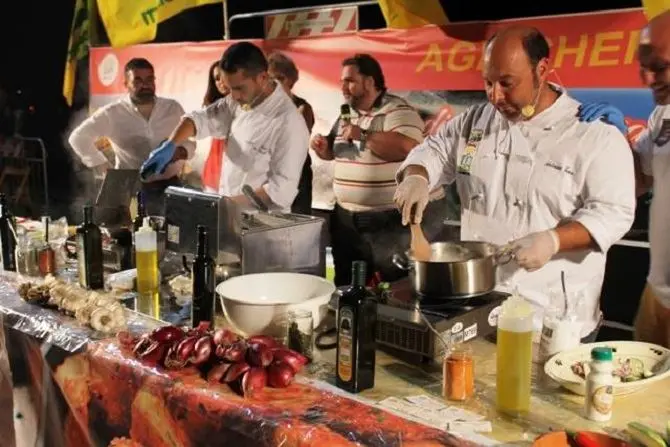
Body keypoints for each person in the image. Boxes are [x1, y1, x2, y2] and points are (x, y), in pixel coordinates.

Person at [394, 26, 636, 340]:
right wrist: (417, 175)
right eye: (488, 82)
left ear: (542, 69)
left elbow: (614, 212)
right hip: (477, 306)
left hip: (551, 318)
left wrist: (554, 240)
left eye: (507, 83)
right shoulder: (475, 122)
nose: (496, 96)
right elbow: (435, 150)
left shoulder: (592, 134)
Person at [310, 53, 448, 286]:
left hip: (390, 220)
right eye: (342, 81)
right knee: (349, 283)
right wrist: (323, 148)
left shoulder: (399, 111)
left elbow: (410, 149)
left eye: (350, 81)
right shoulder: (347, 114)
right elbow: (336, 152)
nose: (343, 87)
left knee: (397, 286)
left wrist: (363, 134)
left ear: (370, 82)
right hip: (348, 219)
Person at [578, 11, 670, 348]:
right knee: (648, 394)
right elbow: (640, 180)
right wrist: (617, 138)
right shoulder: (663, 115)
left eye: (659, 67)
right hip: (657, 292)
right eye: (643, 67)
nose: (648, 79)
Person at [141, 42, 309, 211]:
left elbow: (279, 192)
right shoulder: (239, 101)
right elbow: (201, 119)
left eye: (239, 88)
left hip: (264, 226)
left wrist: (223, 204)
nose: (233, 96)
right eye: (229, 88)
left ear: (262, 78)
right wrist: (171, 144)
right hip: (231, 215)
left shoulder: (289, 122)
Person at [68, 58, 194, 215]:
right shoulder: (112, 113)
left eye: (149, 80)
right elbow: (78, 137)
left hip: (169, 185)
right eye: (138, 81)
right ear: (126, 84)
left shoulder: (172, 108)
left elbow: (190, 142)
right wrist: (103, 167)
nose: (145, 85)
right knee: (122, 236)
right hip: (128, 188)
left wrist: (180, 151)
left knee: (173, 235)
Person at [268, 52, 314, 215]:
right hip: (270, 179)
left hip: (296, 179)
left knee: (296, 230)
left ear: (288, 79)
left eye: (278, 78)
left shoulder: (302, 107)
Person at [201, 61, 229, 193]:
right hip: (215, 169)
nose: (220, 82)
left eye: (223, 76)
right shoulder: (213, 107)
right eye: (216, 79)